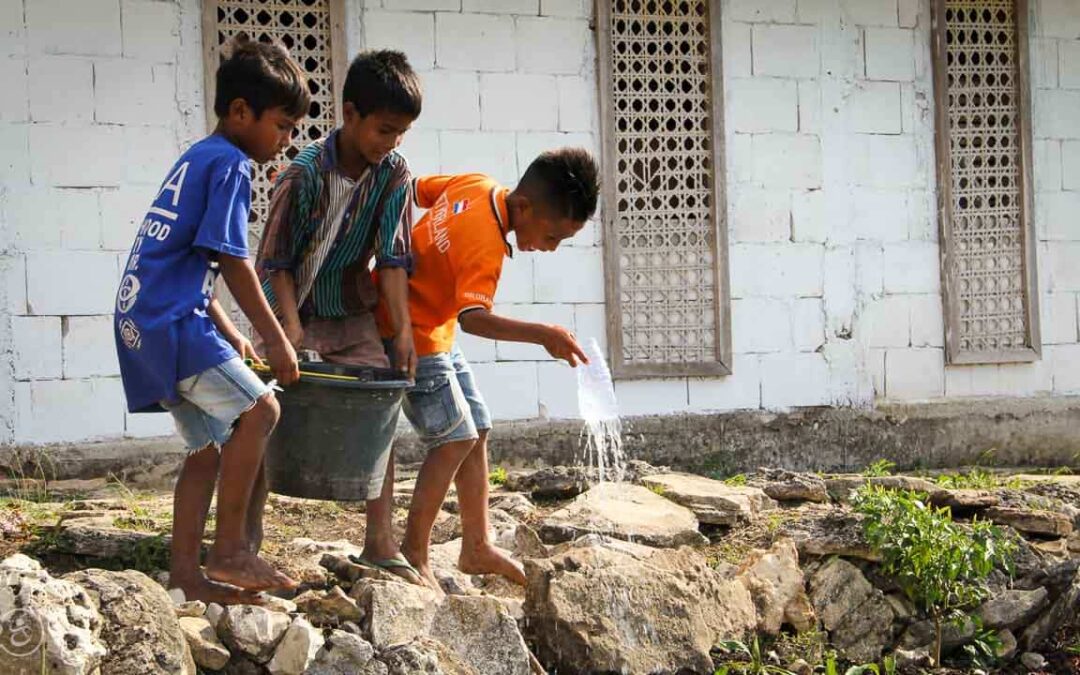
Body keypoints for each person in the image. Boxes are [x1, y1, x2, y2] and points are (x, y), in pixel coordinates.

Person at [114, 39, 307, 604]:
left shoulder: (196, 155)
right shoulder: (231, 164)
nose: (286, 141)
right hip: (171, 322)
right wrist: (273, 338)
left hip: (141, 318)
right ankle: (229, 553)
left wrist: (229, 335)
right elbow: (231, 259)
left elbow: (187, 262)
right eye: (283, 125)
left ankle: (186, 575)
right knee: (261, 408)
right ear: (241, 111)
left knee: (206, 450)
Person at [385, 148, 601, 591]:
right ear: (524, 208)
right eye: (552, 236)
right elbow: (475, 318)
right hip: (411, 335)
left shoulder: (475, 183)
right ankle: (414, 552)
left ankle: (477, 545)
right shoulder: (487, 246)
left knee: (478, 427)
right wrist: (544, 334)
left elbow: (412, 190)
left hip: (434, 326)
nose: (549, 248)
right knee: (454, 439)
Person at [255, 49, 422, 584]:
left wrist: (402, 336)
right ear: (350, 114)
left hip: (349, 310)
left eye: (401, 132)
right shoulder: (303, 174)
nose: (392, 142)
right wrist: (289, 329)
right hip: (285, 304)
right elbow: (273, 261)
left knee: (380, 410)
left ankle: (379, 541)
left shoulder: (394, 174)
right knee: (261, 416)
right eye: (384, 129)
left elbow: (394, 259)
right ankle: (246, 539)